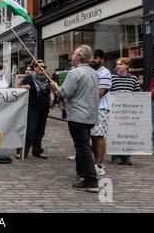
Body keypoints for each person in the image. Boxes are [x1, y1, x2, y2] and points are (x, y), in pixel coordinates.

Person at [50, 45, 100, 193]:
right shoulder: (93, 73)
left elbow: (64, 93)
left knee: (82, 147)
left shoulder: (74, 73)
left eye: (74, 54)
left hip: (78, 115)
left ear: (79, 56)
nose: (71, 56)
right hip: (90, 115)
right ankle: (82, 172)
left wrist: (55, 87)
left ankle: (91, 180)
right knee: (83, 145)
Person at [19, 60, 53, 160]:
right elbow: (19, 86)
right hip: (33, 107)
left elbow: (50, 89)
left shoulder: (46, 78)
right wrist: (24, 87)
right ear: (34, 67)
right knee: (31, 130)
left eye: (44, 66)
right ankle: (22, 151)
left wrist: (52, 97)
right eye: (39, 66)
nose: (42, 68)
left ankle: (37, 151)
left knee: (40, 130)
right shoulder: (30, 77)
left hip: (44, 107)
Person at [110, 57, 141, 165]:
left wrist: (129, 95)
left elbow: (138, 93)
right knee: (117, 133)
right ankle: (116, 156)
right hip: (116, 110)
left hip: (129, 111)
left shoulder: (133, 78)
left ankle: (126, 156)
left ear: (127, 66)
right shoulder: (112, 78)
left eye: (120, 64)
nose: (118, 66)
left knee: (128, 133)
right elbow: (107, 93)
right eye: (117, 64)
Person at [89, 49, 111, 176]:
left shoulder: (105, 73)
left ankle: (99, 165)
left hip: (101, 108)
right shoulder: (91, 71)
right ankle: (94, 162)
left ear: (102, 60)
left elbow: (101, 92)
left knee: (98, 136)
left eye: (96, 58)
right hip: (91, 108)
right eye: (92, 58)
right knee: (93, 136)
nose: (93, 60)